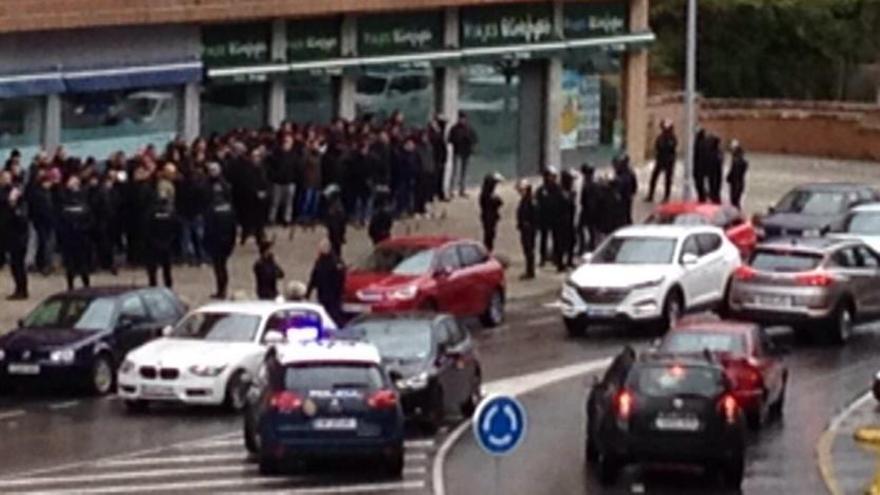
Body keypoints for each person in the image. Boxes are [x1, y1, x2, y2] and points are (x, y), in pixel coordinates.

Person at [204, 162, 237, 299]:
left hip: (217, 242)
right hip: (226, 241)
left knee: (219, 268)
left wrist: (207, 243)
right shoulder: (230, 209)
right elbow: (233, 228)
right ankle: (222, 289)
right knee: (222, 267)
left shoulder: (212, 210)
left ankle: (221, 290)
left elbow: (209, 228)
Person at [57, 175, 93, 290]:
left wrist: (84, 228)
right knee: (70, 265)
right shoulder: (63, 197)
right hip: (68, 237)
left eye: (75, 182)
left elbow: (90, 218)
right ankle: (70, 286)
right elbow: (60, 217)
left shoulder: (84, 198)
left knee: (83, 264)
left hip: (82, 237)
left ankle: (86, 285)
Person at [306, 238, 346, 324]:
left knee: (333, 315)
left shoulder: (335, 262)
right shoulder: (321, 261)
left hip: (333, 295)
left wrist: (339, 292)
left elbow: (341, 278)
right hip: (324, 294)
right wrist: (308, 292)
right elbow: (314, 277)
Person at [145, 195, 178, 288]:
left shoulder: (151, 213)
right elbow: (176, 228)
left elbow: (147, 229)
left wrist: (152, 241)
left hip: (154, 244)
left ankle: (153, 285)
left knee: (152, 268)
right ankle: (168, 285)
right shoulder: (171, 214)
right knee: (167, 267)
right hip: (167, 244)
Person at [267, 134, 299, 226]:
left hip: (290, 182)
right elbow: (271, 167)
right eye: (285, 141)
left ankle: (287, 219)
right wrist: (274, 177)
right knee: (275, 202)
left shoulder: (294, 155)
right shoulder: (276, 154)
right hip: (278, 182)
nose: (287, 144)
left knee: (289, 203)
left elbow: (297, 168)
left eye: (289, 142)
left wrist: (295, 178)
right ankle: (271, 219)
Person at [6, 186, 29, 299]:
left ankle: (22, 290)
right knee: (15, 266)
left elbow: (22, 221)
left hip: (19, 241)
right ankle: (19, 288)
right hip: (13, 239)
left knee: (18, 266)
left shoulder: (21, 207)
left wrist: (14, 209)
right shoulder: (12, 208)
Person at [647, 119, 677, 203]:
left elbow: (670, 147)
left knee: (668, 179)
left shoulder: (672, 138)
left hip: (668, 161)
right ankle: (650, 194)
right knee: (654, 177)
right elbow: (657, 146)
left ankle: (666, 197)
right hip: (660, 160)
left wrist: (663, 147)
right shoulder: (660, 137)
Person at [535, 168, 561, 267]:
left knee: (556, 238)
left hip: (555, 218)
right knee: (544, 238)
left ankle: (556, 257)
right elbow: (537, 205)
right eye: (551, 176)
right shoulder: (541, 190)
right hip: (544, 218)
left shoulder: (557, 188)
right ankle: (543, 258)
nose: (552, 178)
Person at [448, 112, 477, 197]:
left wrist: (472, 148)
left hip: (466, 152)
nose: (462, 120)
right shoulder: (454, 129)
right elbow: (450, 140)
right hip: (457, 152)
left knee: (464, 172)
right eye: (461, 118)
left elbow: (474, 140)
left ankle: (462, 189)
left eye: (464, 118)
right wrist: (457, 141)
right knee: (455, 171)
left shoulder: (469, 129)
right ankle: (452, 190)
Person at [516, 180, 537, 280]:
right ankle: (529, 270)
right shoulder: (526, 199)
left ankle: (530, 271)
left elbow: (531, 215)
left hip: (528, 230)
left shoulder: (529, 200)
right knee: (527, 250)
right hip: (527, 229)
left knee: (529, 250)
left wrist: (526, 224)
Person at [478, 173, 503, 252]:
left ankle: (489, 249)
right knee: (489, 235)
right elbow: (498, 202)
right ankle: (488, 250)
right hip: (488, 217)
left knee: (491, 235)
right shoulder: (486, 195)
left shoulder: (489, 193)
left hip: (490, 216)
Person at [578, 165, 600, 253]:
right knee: (587, 230)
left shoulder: (589, 184)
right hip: (589, 210)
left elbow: (586, 199)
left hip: (589, 210)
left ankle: (587, 246)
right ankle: (589, 245)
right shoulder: (592, 183)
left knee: (586, 229)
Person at [558, 169, 577, 269]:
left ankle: (569, 261)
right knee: (562, 243)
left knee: (572, 241)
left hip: (570, 220)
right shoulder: (561, 192)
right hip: (562, 222)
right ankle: (560, 263)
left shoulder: (570, 192)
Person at [612, 154, 638, 226]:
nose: (615, 167)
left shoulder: (626, 175)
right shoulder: (621, 173)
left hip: (624, 198)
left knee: (624, 216)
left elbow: (633, 186)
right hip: (626, 197)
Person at [323, 185, 347, 257]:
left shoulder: (336, 207)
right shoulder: (334, 205)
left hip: (336, 233)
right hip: (334, 232)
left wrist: (340, 235)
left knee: (335, 249)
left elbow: (338, 222)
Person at [727, 140, 749, 209]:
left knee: (734, 201)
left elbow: (734, 172)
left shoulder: (736, 161)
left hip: (736, 184)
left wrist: (728, 177)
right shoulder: (744, 161)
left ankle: (736, 214)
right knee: (737, 201)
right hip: (740, 183)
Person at [707, 134, 724, 204]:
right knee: (715, 188)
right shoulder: (718, 152)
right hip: (715, 173)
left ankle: (715, 200)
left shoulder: (715, 152)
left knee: (714, 188)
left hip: (715, 173)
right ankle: (715, 199)